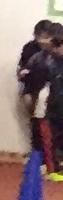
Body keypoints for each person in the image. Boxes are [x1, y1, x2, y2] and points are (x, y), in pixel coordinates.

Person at [20, 20, 62, 175]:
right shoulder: (39, 58)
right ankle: (49, 166)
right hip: (49, 105)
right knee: (47, 135)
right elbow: (29, 77)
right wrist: (28, 93)